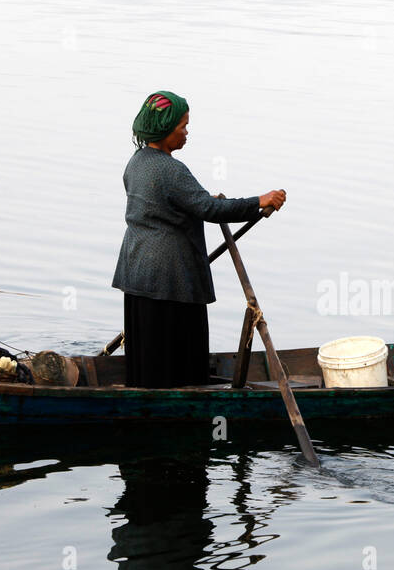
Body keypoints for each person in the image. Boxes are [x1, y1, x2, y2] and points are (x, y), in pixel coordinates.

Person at [112, 91, 286, 388]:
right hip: (171, 278)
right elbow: (209, 209)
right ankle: (180, 397)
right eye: (182, 126)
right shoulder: (171, 170)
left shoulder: (137, 162)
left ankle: (144, 391)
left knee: (148, 350)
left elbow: (179, 203)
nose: (186, 132)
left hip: (137, 269)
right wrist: (260, 200)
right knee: (179, 351)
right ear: (165, 131)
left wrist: (205, 201)